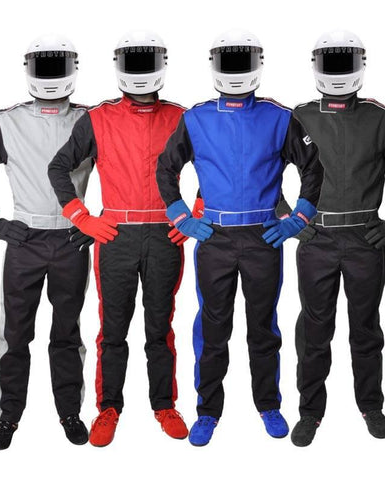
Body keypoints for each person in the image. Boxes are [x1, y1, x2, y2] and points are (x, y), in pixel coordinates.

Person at [156, 29, 323, 446]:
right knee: (213, 328)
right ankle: (207, 411)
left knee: (263, 327)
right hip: (213, 237)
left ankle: (268, 404)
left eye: (242, 61)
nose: (235, 71)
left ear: (257, 65)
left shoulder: (280, 117)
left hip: (264, 236)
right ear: (214, 65)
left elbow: (312, 167)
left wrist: (298, 218)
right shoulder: (196, 118)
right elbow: (166, 168)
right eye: (227, 61)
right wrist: (180, 216)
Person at [48, 30, 189, 447]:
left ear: (162, 65)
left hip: (164, 233)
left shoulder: (181, 117)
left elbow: (215, 163)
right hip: (115, 235)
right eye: (133, 62)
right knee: (113, 329)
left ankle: (164, 405)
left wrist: (196, 213)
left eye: (148, 61)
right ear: (119, 67)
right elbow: (59, 167)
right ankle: (108, 408)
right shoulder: (98, 118)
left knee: (160, 326)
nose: (141, 71)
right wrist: (80, 216)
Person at [286, 30, 385, 447]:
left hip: (366, 239)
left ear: (361, 64)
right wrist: (288, 218)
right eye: (329, 62)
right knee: (315, 329)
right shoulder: (299, 117)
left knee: (365, 328)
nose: (337, 71)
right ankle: (310, 412)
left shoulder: (381, 119)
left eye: (344, 61)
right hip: (316, 237)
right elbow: (266, 166)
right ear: (315, 65)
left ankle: (371, 406)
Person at [0, 34, 93, 450]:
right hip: (24, 239)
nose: (50, 76)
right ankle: (7, 417)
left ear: (73, 69)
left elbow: (124, 171)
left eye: (58, 66)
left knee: (67, 333)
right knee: (15, 335)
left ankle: (70, 412)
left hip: (71, 238)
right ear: (29, 70)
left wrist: (96, 223)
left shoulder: (90, 120)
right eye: (43, 66)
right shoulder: (8, 121)